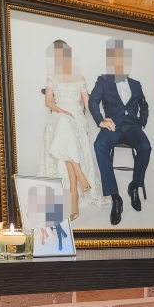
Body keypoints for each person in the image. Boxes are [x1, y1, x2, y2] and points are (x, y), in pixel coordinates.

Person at [38, 40, 108, 221]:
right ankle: (78, 181)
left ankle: (74, 192)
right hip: (59, 115)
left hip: (77, 120)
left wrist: (101, 120)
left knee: (66, 130)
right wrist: (62, 111)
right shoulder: (51, 76)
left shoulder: (80, 77)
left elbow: (88, 105)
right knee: (63, 125)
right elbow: (48, 102)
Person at [89, 38, 151, 225]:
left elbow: (144, 105)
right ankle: (116, 197)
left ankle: (134, 186)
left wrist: (141, 123)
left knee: (146, 147)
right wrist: (101, 121)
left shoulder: (136, 84)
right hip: (113, 126)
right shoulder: (103, 80)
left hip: (132, 126)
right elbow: (93, 101)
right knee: (99, 145)